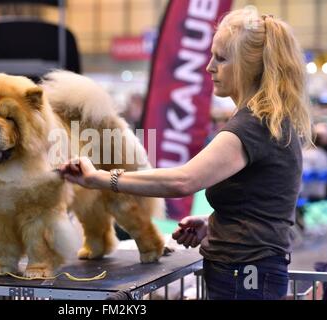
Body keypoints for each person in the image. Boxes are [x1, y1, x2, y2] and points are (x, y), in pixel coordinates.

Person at [58, 9, 312, 300]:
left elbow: (183, 181)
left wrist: (100, 178)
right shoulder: (269, 120)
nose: (209, 67)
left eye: (221, 58)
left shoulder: (252, 125)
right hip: (245, 272)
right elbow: (264, 204)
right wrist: (214, 224)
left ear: (248, 66)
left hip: (244, 276)